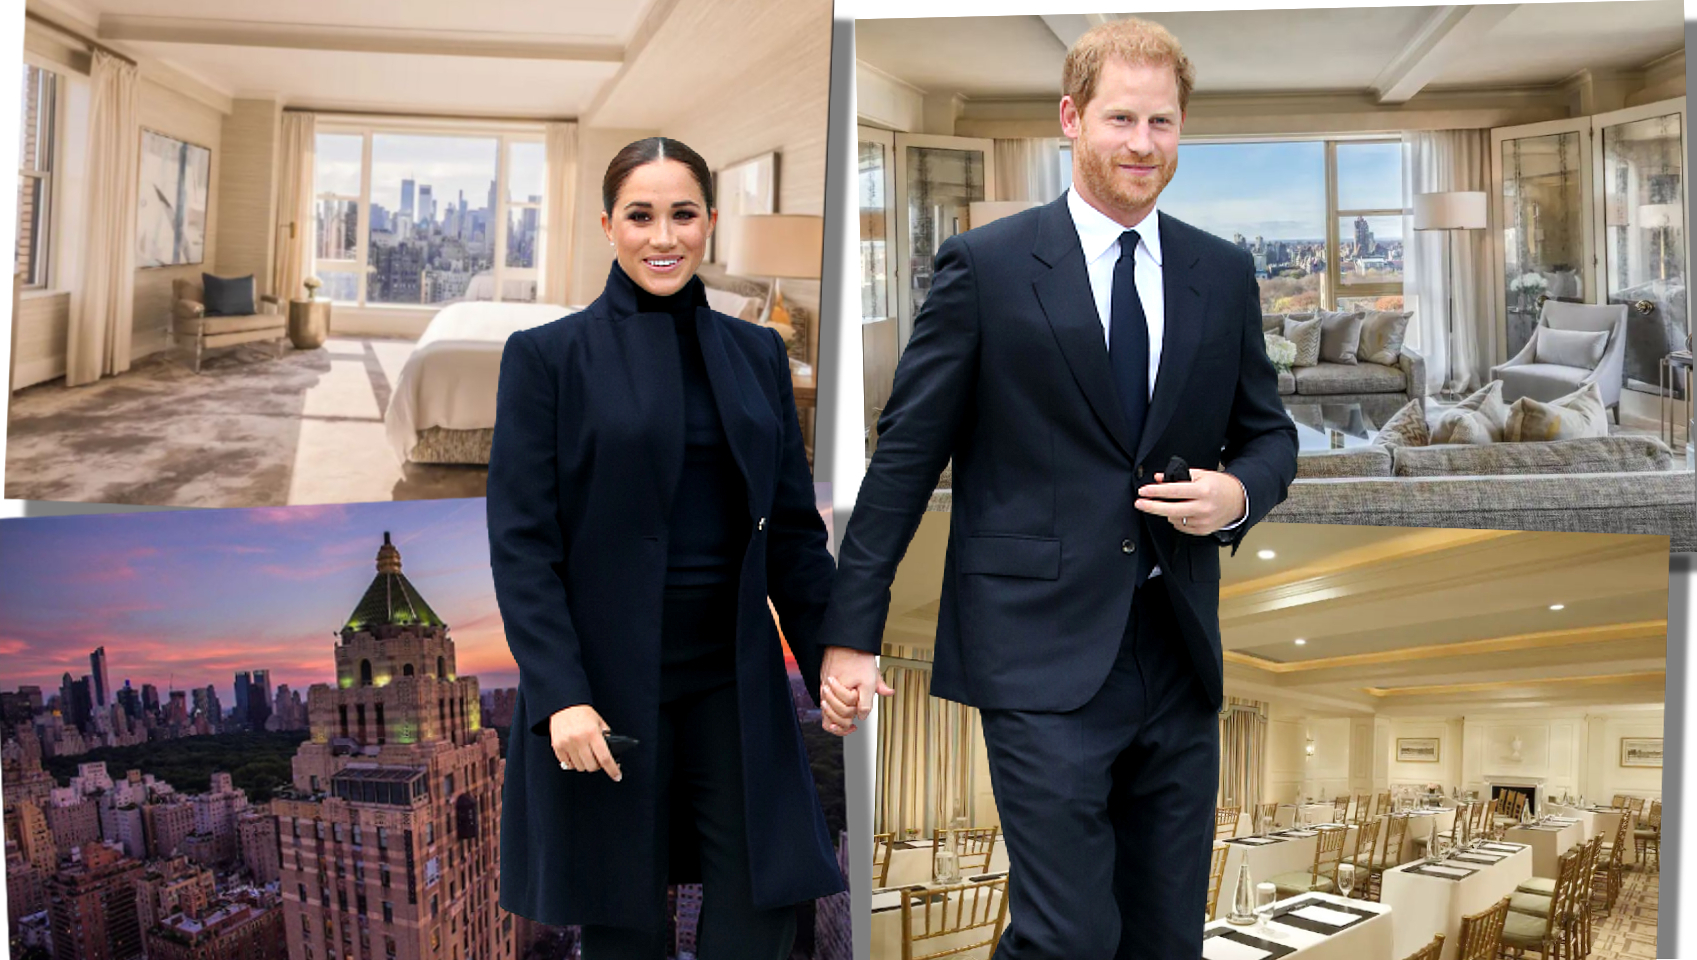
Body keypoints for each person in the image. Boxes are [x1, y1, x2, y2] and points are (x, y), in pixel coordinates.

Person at [816, 18, 1298, 959]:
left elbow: (1271, 433)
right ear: (1072, 118)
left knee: (1167, 939)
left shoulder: (1224, 271)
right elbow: (906, 456)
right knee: (1068, 936)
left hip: (1179, 650)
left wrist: (1238, 493)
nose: (1141, 143)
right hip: (1036, 649)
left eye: (1161, 122)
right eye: (1121, 118)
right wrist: (851, 631)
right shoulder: (985, 266)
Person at [487, 136, 843, 959]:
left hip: (734, 676)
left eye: (682, 215)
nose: (663, 237)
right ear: (607, 225)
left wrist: (834, 652)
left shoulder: (759, 353)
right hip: (606, 686)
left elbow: (793, 530)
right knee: (625, 920)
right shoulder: (545, 358)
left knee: (762, 905)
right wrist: (560, 695)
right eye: (640, 216)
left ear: (710, 222)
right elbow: (522, 544)